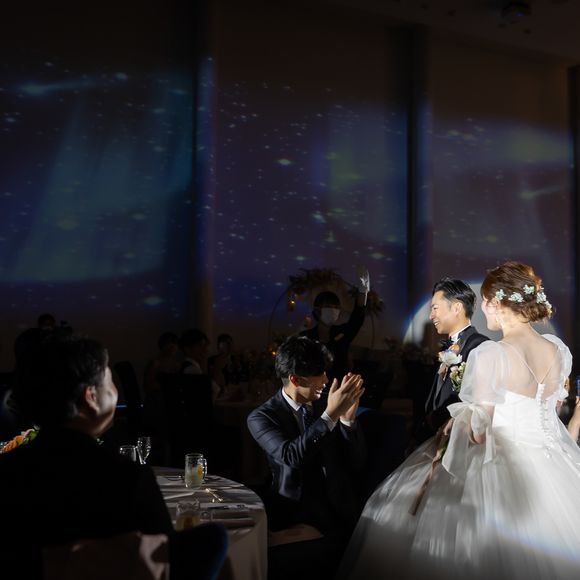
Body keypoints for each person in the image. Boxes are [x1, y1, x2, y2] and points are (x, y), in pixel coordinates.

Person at [337, 261, 580, 580]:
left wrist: (457, 424)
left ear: (498, 303)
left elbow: (479, 433)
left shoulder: (492, 353)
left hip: (502, 468)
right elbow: (553, 412)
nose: (484, 310)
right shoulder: (559, 351)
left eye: (486, 302)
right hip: (553, 466)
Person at [0, 331, 228, 579]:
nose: (115, 389)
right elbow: (167, 561)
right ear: (91, 397)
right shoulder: (126, 478)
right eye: (109, 381)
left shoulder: (9, 471)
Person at [247, 336, 366, 579]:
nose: (326, 380)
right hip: (293, 509)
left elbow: (357, 462)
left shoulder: (327, 403)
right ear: (295, 379)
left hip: (336, 507)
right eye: (318, 374)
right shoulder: (262, 417)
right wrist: (331, 415)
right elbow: (291, 456)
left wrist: (347, 421)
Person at [413, 277, 489, 445]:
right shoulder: (447, 348)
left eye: (435, 308)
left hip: (458, 437)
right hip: (434, 436)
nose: (431, 316)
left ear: (456, 308)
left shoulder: (480, 346)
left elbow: (477, 401)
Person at [300, 269, 369, 384]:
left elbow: (357, 318)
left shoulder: (342, 333)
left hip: (340, 386)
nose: (332, 311)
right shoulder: (306, 337)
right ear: (317, 310)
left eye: (336, 308)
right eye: (328, 306)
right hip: (314, 388)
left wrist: (363, 290)